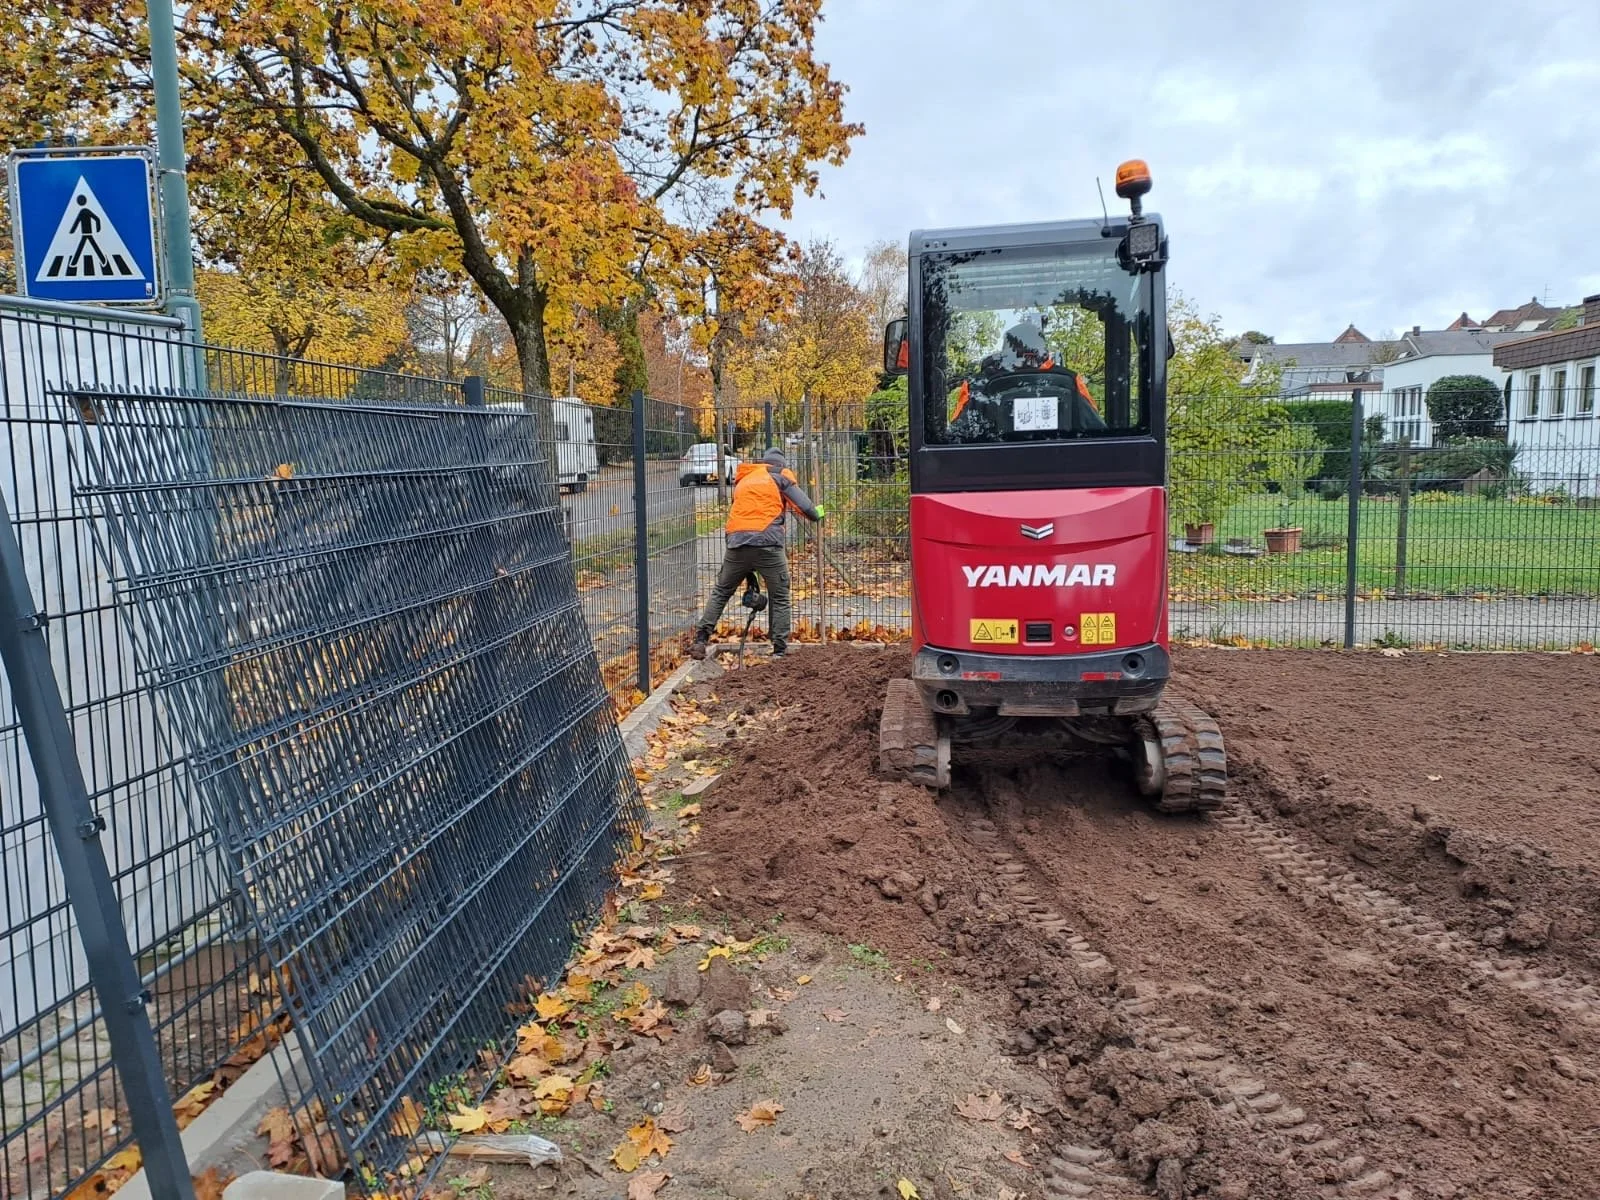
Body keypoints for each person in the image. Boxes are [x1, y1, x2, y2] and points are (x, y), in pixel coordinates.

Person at [690, 449, 825, 659]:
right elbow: (808, 509)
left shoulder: (745, 479)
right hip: (768, 544)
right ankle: (779, 649)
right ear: (781, 463)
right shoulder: (781, 475)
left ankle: (700, 639)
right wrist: (819, 512)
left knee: (721, 591)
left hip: (736, 542)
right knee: (779, 596)